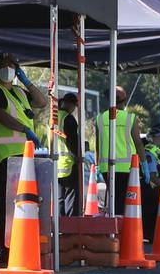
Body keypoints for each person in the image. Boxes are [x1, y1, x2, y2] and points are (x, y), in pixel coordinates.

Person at [0, 53, 48, 251]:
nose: (7, 70)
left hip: (21, 155)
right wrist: (25, 129)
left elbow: (41, 101)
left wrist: (26, 81)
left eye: (11, 67)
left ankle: (16, 244)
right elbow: (1, 115)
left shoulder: (19, 92)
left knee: (19, 202)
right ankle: (4, 247)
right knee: (6, 205)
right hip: (3, 156)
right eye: (4, 66)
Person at [93, 86, 146, 215]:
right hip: (127, 168)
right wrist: (145, 164)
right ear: (124, 101)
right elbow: (138, 144)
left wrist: (97, 166)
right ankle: (122, 229)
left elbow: (98, 146)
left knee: (114, 200)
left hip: (107, 167)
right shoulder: (130, 118)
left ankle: (114, 227)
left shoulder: (100, 118)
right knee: (126, 202)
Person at [57, 93, 81, 214]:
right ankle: (69, 225)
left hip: (57, 164)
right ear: (71, 104)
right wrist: (78, 156)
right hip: (68, 164)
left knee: (59, 198)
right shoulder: (68, 118)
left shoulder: (54, 117)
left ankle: (59, 225)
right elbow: (72, 141)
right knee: (71, 197)